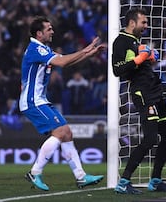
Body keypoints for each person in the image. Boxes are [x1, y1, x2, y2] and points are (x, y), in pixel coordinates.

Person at [19, 16, 105, 191]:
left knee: (66, 133)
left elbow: (65, 62)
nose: (53, 31)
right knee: (60, 131)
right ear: (39, 33)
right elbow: (63, 61)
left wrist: (89, 54)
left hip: (39, 100)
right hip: (32, 101)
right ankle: (35, 172)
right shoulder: (36, 49)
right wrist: (86, 49)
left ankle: (81, 177)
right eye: (49, 29)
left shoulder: (43, 48)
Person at [111, 7, 166, 194]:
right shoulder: (121, 42)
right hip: (143, 93)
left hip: (155, 91)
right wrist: (140, 59)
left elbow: (139, 63)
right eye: (144, 22)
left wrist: (149, 59)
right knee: (150, 138)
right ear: (133, 23)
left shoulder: (136, 41)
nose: (146, 25)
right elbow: (118, 70)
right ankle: (123, 182)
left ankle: (155, 180)